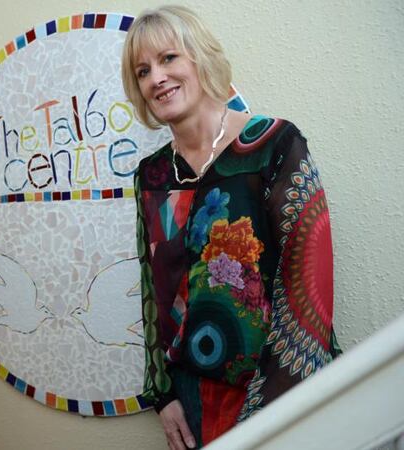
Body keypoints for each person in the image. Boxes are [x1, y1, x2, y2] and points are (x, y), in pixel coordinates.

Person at [121, 6, 340, 449]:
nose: (156, 78)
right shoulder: (152, 175)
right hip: (193, 399)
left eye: (168, 59)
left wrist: (270, 406)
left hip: (286, 388)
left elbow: (309, 288)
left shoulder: (274, 145)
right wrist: (162, 394)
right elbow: (153, 290)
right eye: (143, 71)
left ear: (199, 58)